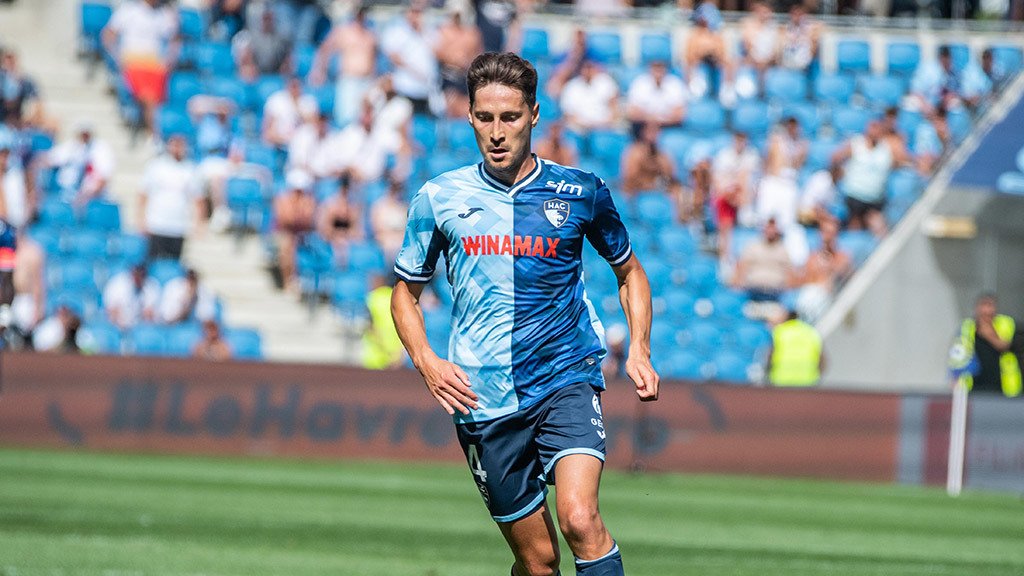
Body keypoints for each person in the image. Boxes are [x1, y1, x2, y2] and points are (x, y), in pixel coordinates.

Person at [391, 52, 658, 576]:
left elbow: (630, 272)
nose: (497, 132)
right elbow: (404, 293)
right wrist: (426, 361)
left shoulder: (580, 191)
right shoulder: (438, 198)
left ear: (534, 115)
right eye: (485, 118)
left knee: (579, 519)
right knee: (538, 563)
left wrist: (640, 350)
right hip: (482, 398)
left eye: (510, 117)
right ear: (470, 117)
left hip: (565, 377)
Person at [102, 0, 179, 132]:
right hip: (133, 63)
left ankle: (154, 131)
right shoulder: (128, 10)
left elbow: (175, 39)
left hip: (154, 65)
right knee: (149, 98)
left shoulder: (164, 14)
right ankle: (154, 133)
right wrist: (117, 57)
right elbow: (108, 34)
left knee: (159, 100)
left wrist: (170, 59)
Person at [832, 120, 909, 237]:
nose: (874, 131)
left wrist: (898, 137)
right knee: (855, 227)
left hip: (875, 199)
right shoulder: (856, 143)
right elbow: (835, 159)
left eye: (877, 127)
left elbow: (903, 160)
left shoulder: (887, 147)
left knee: (880, 229)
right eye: (872, 127)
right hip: (854, 197)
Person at [310, 5, 377, 127]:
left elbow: (374, 60)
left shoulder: (370, 34)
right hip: (349, 80)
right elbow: (325, 49)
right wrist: (319, 71)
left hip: (366, 81)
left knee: (364, 119)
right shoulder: (344, 32)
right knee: (347, 117)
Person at [139, 134, 202, 261]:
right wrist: (141, 219)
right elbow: (143, 194)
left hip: (178, 226)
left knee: (174, 264)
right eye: (175, 144)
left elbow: (198, 199)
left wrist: (198, 224)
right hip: (157, 223)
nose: (177, 148)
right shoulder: (156, 166)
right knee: (154, 262)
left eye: (180, 145)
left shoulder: (190, 169)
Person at [951, 294, 1023, 398]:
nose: (987, 311)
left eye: (990, 306)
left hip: (1002, 390)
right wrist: (955, 380)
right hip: (974, 389)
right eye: (983, 305)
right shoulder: (967, 328)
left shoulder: (1006, 325)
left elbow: (1006, 346)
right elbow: (958, 358)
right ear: (976, 308)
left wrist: (989, 335)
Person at [381, 5, 439, 116]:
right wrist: (414, 71)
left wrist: (422, 31)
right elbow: (393, 56)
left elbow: (437, 52)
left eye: (419, 13)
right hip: (405, 87)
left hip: (425, 90)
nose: (416, 16)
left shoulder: (429, 32)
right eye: (413, 12)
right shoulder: (397, 32)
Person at [795, 216, 851, 322]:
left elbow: (842, 277)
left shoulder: (842, 257)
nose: (828, 237)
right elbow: (804, 280)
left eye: (831, 233)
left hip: (831, 298)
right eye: (825, 232)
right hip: (811, 297)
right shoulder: (812, 258)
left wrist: (829, 266)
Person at [47, 121, 115, 206]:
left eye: (86, 134)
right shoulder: (72, 147)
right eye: (82, 134)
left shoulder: (101, 149)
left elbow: (103, 178)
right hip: (68, 195)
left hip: (93, 198)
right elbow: (50, 159)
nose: (84, 137)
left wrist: (84, 197)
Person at [731, 217, 794, 303]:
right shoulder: (752, 247)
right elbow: (741, 269)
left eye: (773, 227)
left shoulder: (783, 250)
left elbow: (790, 276)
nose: (771, 230)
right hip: (752, 292)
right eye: (768, 227)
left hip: (775, 294)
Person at [273, 170, 317, 292]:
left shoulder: (308, 200)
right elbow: (285, 220)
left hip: (303, 234)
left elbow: (308, 220)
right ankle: (289, 281)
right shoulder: (283, 199)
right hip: (285, 233)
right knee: (286, 245)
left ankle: (299, 281)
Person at [434, 11, 484, 118]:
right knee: (451, 106)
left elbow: (478, 55)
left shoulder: (472, 33)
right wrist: (453, 59)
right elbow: (436, 52)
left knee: (466, 109)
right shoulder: (444, 31)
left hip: (464, 76)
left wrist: (466, 61)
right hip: (447, 75)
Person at [625, 60, 687, 134]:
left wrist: (657, 120)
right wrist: (652, 119)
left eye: (661, 67)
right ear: (650, 68)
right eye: (655, 67)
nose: (658, 70)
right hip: (643, 126)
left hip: (668, 127)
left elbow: (679, 115)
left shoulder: (675, 83)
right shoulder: (639, 83)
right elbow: (633, 112)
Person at [559, 59, 619, 135]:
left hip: (604, 126)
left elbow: (614, 107)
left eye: (590, 67)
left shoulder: (606, 82)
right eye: (585, 68)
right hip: (579, 128)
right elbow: (568, 114)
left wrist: (605, 123)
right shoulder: (571, 87)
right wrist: (585, 125)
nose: (587, 71)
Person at [767, 309, 824, 386]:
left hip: (781, 380)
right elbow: (821, 359)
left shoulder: (779, 331)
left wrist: (767, 374)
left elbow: (770, 355)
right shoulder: (811, 332)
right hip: (807, 381)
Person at [232, 8, 292, 82]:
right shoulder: (247, 37)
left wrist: (285, 69)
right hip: (256, 75)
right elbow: (245, 62)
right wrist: (249, 66)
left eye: (269, 18)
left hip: (276, 75)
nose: (267, 22)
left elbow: (288, 62)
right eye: (265, 18)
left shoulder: (283, 39)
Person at [620, 123, 680, 196]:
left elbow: (670, 177)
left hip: (660, 193)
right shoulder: (634, 152)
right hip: (638, 193)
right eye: (651, 131)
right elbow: (629, 178)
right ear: (643, 132)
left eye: (656, 131)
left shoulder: (663, 154)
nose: (654, 134)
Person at [316, 176, 363, 266]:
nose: (345, 192)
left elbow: (358, 232)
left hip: (348, 241)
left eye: (347, 189)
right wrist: (337, 236)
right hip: (331, 241)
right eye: (343, 189)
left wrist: (344, 236)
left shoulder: (353, 207)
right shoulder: (329, 206)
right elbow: (324, 231)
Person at [261, 76, 318, 150]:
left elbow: (314, 125)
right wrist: (285, 140)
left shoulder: (308, 101)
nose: (295, 89)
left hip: (303, 145)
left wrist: (297, 107)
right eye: (293, 86)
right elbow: (267, 131)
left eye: (297, 86)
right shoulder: (276, 100)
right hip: (280, 144)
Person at [363, 274, 404, 369]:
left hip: (375, 353)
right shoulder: (395, 297)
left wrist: (382, 346)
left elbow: (369, 325)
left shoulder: (372, 298)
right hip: (395, 353)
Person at [103, 263, 161, 330]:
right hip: (119, 326)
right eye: (136, 273)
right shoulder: (117, 284)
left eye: (141, 274)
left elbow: (149, 315)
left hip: (140, 327)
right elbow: (112, 312)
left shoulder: (151, 285)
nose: (138, 277)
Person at [370, 176, 409, 266]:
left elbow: (407, 229)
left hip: (401, 239)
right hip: (385, 240)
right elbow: (377, 229)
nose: (397, 193)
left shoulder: (404, 207)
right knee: (391, 247)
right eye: (394, 190)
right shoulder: (379, 207)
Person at [779, 3, 821, 75]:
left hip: (805, 64)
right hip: (789, 62)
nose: (797, 17)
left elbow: (820, 29)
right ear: (791, 15)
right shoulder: (785, 29)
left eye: (800, 14)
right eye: (795, 14)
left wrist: (806, 36)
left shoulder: (811, 28)